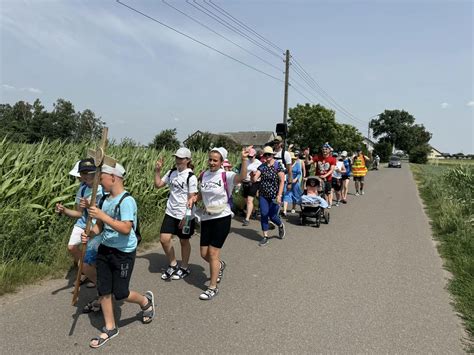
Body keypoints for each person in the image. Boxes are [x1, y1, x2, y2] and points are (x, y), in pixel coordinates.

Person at [83, 162, 155, 348]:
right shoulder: (103, 200)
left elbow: (125, 228)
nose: (99, 182)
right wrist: (89, 233)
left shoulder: (126, 201)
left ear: (113, 178)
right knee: (104, 289)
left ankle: (145, 302)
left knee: (120, 293)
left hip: (123, 252)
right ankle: (110, 327)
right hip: (105, 248)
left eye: (102, 178)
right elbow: (99, 227)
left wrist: (103, 216)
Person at [197, 146, 248, 300]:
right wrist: (194, 198)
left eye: (215, 160)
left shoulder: (227, 176)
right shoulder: (204, 175)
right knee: (203, 254)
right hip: (207, 217)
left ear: (221, 162)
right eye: (210, 159)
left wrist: (244, 159)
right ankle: (219, 265)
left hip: (222, 217)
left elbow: (242, 177)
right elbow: (202, 193)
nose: (212, 162)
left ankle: (212, 287)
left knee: (213, 253)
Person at [55, 158, 103, 289]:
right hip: (83, 222)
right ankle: (85, 271)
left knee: (90, 252)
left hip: (96, 224)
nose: (86, 176)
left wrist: (90, 205)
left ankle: (92, 274)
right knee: (71, 247)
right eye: (83, 173)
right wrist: (64, 210)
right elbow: (79, 213)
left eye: (89, 173)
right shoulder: (82, 189)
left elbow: (105, 211)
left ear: (96, 173)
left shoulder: (102, 189)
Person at [154, 148, 198, 281]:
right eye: (176, 158)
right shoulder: (171, 172)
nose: (178, 161)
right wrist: (157, 170)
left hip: (185, 214)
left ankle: (184, 267)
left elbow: (192, 198)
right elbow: (158, 185)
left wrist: (187, 217)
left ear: (188, 160)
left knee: (184, 241)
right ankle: (173, 264)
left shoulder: (191, 177)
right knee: (164, 239)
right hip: (171, 211)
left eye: (181, 158)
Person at [252, 146, 286, 247]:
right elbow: (255, 179)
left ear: (272, 155)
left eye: (269, 155)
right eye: (265, 155)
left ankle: (280, 225)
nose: (267, 156)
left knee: (273, 216)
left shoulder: (277, 166)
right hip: (263, 195)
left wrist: (279, 195)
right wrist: (252, 176)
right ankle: (265, 236)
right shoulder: (262, 166)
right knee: (264, 214)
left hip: (274, 196)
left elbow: (282, 181)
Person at [241, 148, 262, 226]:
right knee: (246, 200)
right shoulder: (245, 162)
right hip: (245, 182)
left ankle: (247, 219)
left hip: (254, 182)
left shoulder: (259, 163)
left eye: (251, 156)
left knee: (250, 200)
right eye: (249, 156)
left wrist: (256, 174)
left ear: (255, 155)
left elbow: (261, 174)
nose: (250, 158)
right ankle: (253, 211)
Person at [312, 143, 337, 208]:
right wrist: (306, 156)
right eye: (323, 149)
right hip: (318, 178)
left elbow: (331, 170)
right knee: (317, 190)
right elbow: (308, 162)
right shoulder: (317, 157)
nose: (324, 150)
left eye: (326, 149)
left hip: (327, 178)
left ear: (329, 150)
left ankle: (329, 203)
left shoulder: (332, 159)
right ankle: (319, 202)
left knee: (328, 192)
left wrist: (325, 175)